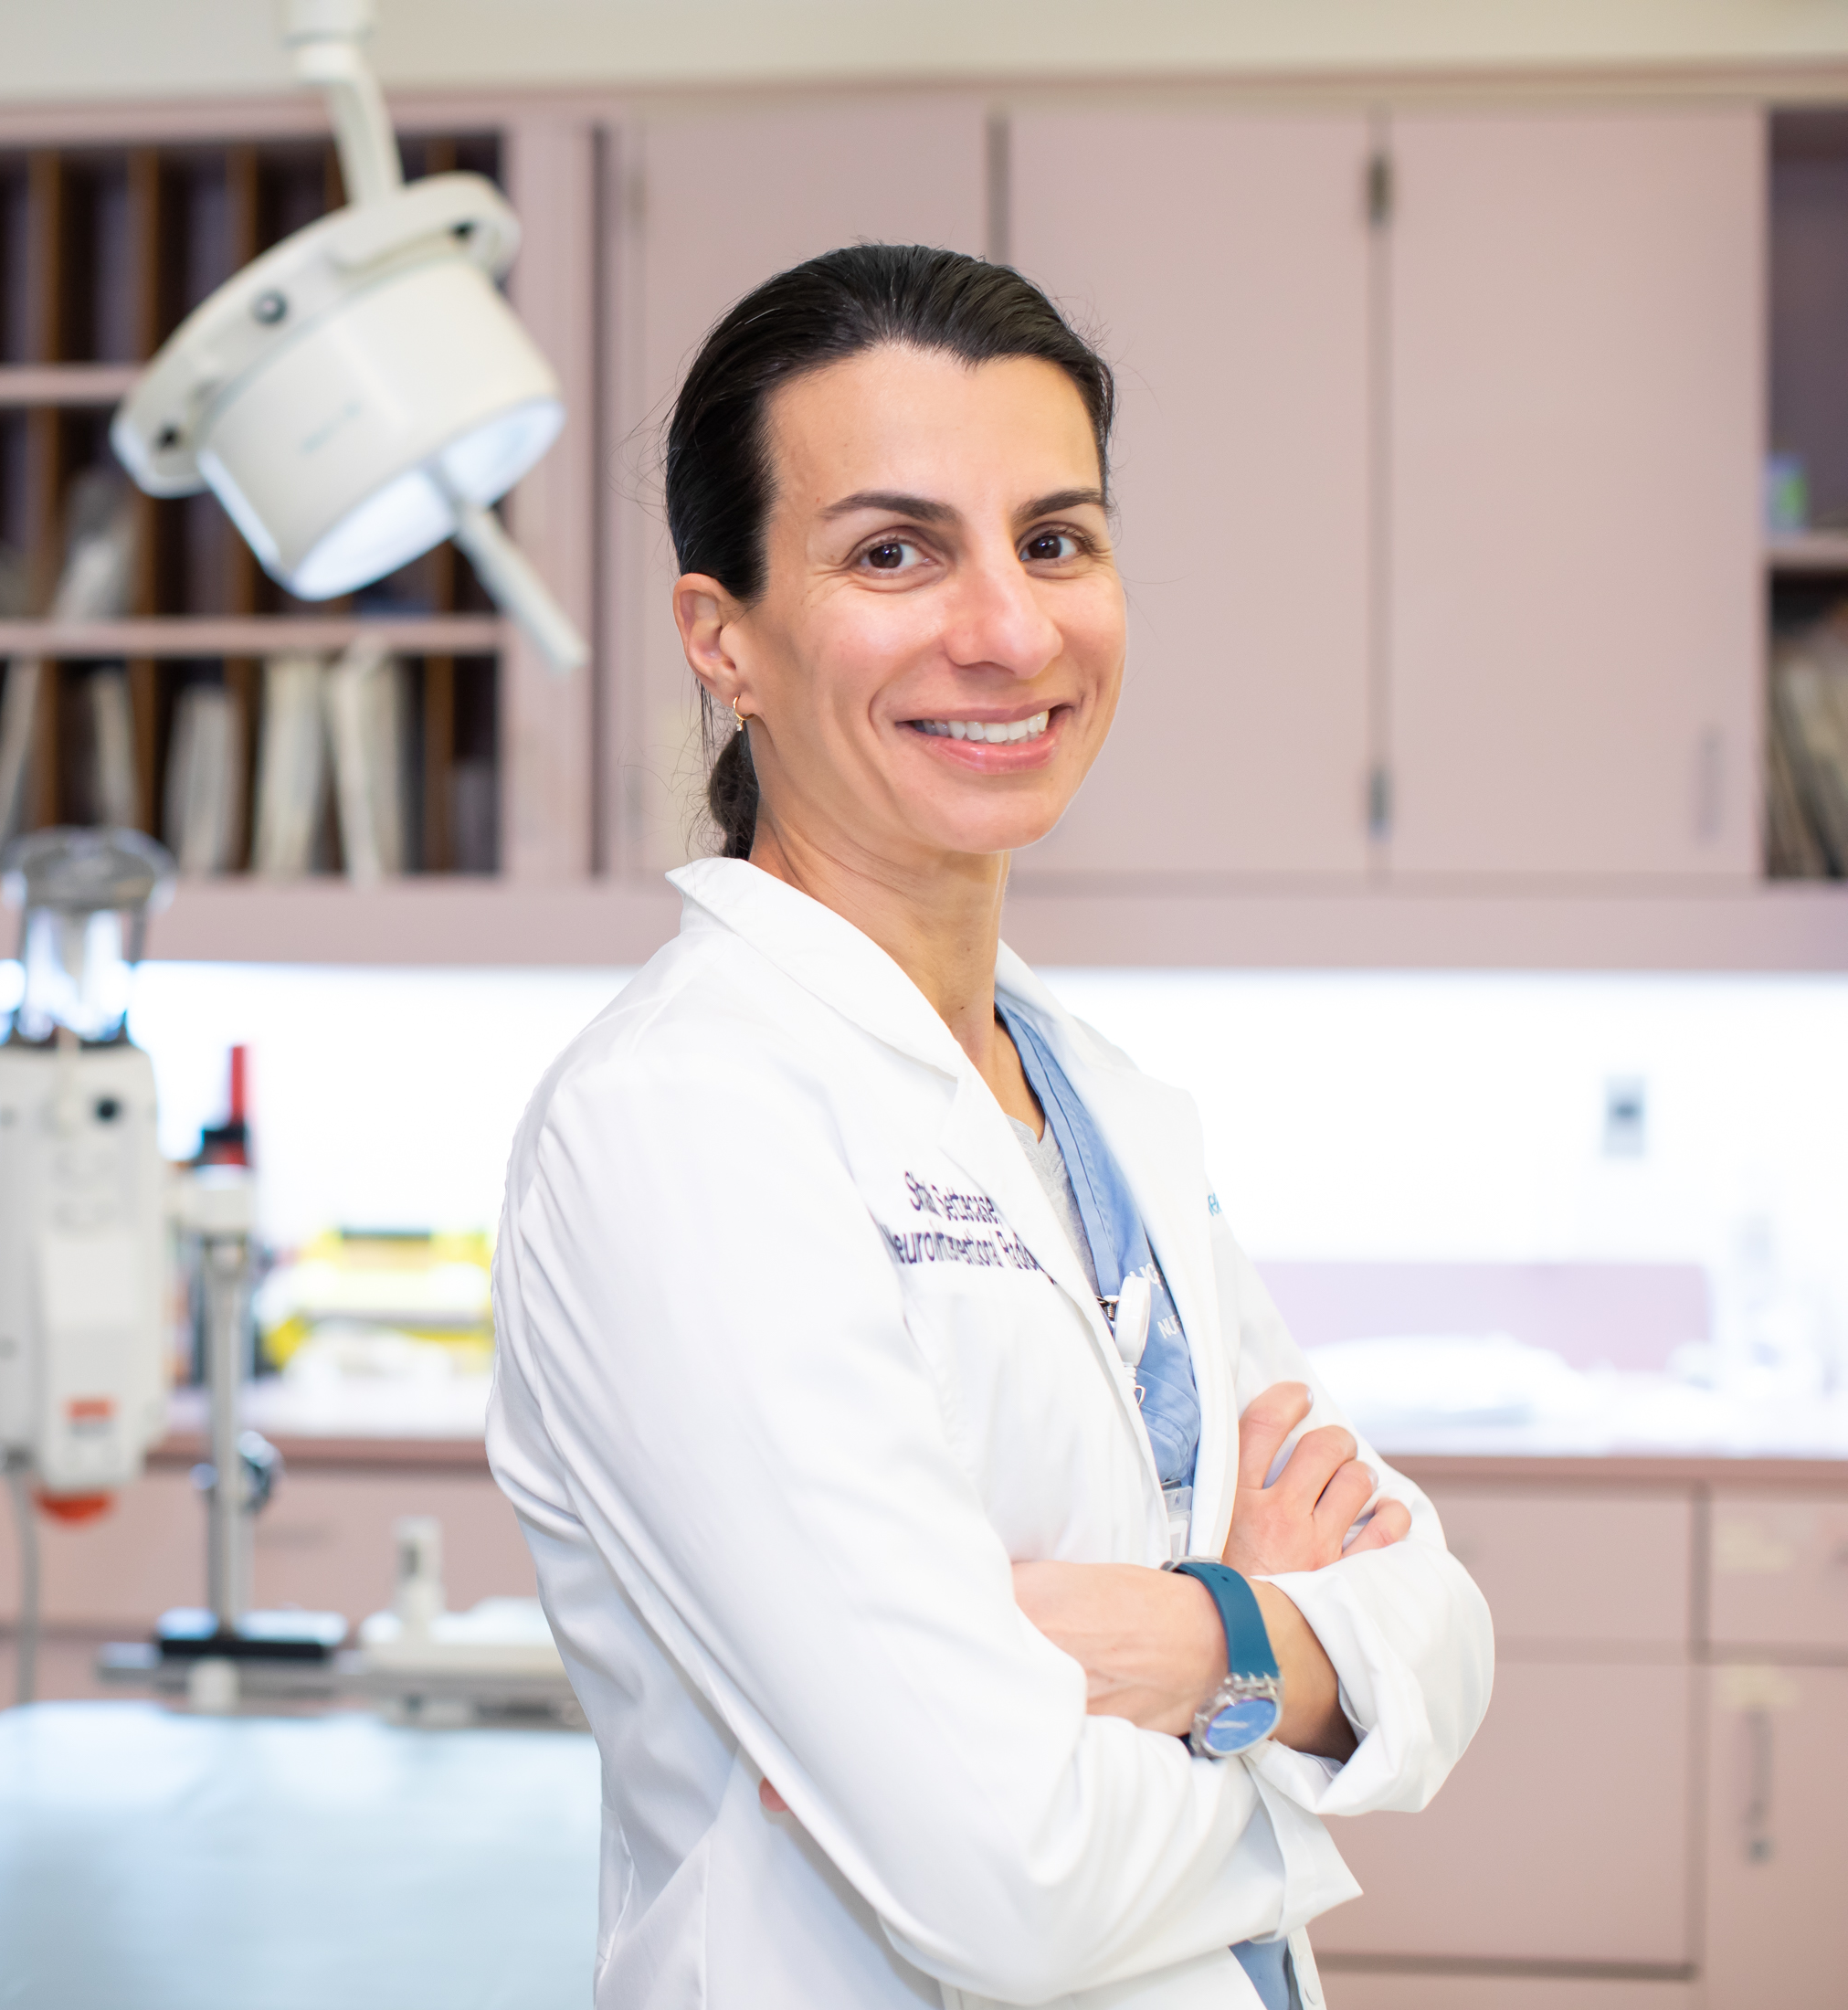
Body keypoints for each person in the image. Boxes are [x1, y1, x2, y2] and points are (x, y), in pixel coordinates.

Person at [486, 246, 1494, 2010]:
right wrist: (1295, 1691)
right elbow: (1005, 1883)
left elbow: (1446, 1632)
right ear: (723, 638)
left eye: (1055, 538)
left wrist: (1189, 1639)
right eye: (894, 552)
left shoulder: (1098, 1098)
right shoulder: (682, 1122)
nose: (1010, 630)